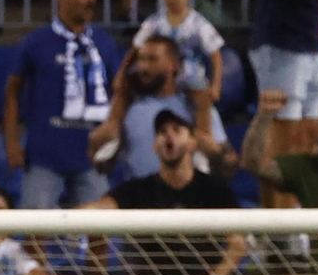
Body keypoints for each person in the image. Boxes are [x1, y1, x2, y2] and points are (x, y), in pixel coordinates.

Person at [87, 109, 244, 275]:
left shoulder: (216, 190)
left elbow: (237, 245)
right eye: (162, 132)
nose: (168, 135)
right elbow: (99, 210)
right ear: (155, 146)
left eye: (177, 130)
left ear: (192, 142)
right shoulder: (137, 189)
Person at [4, 0, 121, 209]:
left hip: (91, 158)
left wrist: (113, 141)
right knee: (35, 231)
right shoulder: (35, 43)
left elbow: (118, 94)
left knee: (100, 229)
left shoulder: (105, 44)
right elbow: (12, 91)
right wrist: (11, 142)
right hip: (43, 158)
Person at [88, 36, 229, 180]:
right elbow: (103, 167)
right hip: (142, 196)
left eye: (152, 60)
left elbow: (229, 168)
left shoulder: (198, 107)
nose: (143, 67)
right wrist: (100, 147)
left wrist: (215, 152)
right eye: (141, 60)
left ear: (174, 65)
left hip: (189, 197)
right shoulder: (126, 108)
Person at [247, 0, 318, 159]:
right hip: (281, 43)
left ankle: (301, 185)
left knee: (311, 129)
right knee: (282, 138)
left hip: (310, 45)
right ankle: (278, 187)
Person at [132, 0, 224, 101]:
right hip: (161, 74)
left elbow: (216, 56)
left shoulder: (199, 24)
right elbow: (136, 47)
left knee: (201, 96)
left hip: (190, 75)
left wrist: (216, 85)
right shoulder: (154, 22)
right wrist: (121, 74)